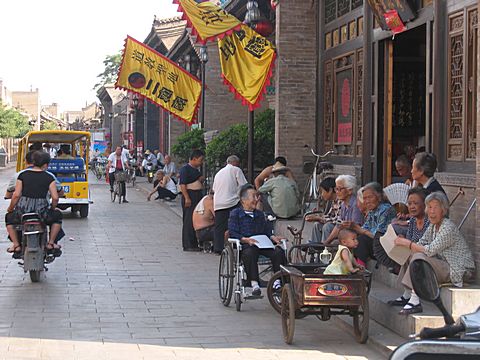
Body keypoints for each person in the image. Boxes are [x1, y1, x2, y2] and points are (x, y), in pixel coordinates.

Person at [392, 192, 475, 315]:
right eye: (429, 207)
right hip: (444, 264)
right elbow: (421, 243)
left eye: (435, 207)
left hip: (458, 269)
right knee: (411, 253)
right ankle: (407, 294)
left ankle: (415, 300)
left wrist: (407, 243)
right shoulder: (432, 226)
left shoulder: (448, 227)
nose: (431, 211)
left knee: (419, 257)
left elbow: (429, 250)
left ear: (444, 210)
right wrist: (406, 244)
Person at [228, 184, 287, 296]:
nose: (256, 199)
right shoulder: (236, 214)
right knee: (251, 252)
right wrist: (244, 239)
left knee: (278, 252)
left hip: (262, 244)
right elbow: (232, 232)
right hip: (246, 245)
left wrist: (272, 237)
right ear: (243, 200)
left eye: (257, 196)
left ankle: (277, 282)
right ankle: (254, 283)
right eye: (253, 197)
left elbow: (266, 230)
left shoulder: (259, 215)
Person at [5, 151, 62, 254]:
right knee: (57, 217)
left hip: (23, 213)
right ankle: (51, 243)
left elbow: (16, 195)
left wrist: (10, 208)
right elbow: (55, 197)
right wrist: (53, 208)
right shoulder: (49, 177)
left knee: (9, 218)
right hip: (42, 214)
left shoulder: (22, 175)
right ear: (45, 165)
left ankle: (16, 245)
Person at [377, 188, 431, 275]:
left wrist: (406, 242)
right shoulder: (413, 220)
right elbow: (410, 239)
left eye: (416, 203)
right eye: (409, 204)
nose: (412, 207)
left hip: (425, 257)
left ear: (425, 204)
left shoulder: (430, 221)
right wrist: (402, 239)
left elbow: (426, 247)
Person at [344, 182, 396, 266]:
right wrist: (352, 228)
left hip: (384, 246)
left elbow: (378, 236)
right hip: (373, 245)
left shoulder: (386, 209)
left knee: (361, 240)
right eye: (364, 198)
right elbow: (365, 228)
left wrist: (360, 230)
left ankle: (361, 268)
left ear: (379, 197)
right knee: (350, 239)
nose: (367, 201)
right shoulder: (372, 211)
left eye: (370, 197)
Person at [212, 155, 248, 254]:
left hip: (218, 203)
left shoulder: (218, 173)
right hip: (232, 201)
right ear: (236, 163)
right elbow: (244, 186)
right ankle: (237, 244)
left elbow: (214, 189)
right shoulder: (236, 170)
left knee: (219, 227)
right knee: (237, 223)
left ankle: (218, 248)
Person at [324, 175, 365, 245]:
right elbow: (338, 225)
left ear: (350, 191)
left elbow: (355, 229)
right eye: (336, 189)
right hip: (346, 234)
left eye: (339, 189)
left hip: (354, 238)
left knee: (334, 242)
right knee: (327, 230)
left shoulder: (356, 204)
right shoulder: (343, 204)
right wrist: (326, 242)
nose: (337, 192)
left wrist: (328, 242)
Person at [179, 149, 205, 251]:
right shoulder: (185, 169)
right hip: (190, 195)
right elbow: (182, 185)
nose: (201, 162)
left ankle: (195, 243)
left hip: (197, 195)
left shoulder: (196, 170)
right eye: (200, 160)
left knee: (195, 219)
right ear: (194, 159)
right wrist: (187, 198)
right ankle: (188, 244)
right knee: (188, 220)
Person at [306, 177, 341, 243]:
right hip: (335, 223)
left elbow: (336, 220)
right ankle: (316, 247)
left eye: (322, 191)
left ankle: (326, 249)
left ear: (330, 190)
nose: (321, 195)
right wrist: (318, 218)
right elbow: (330, 216)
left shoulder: (340, 200)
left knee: (327, 226)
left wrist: (319, 218)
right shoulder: (333, 201)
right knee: (317, 225)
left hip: (340, 226)